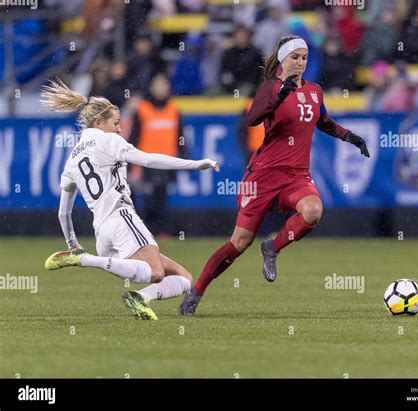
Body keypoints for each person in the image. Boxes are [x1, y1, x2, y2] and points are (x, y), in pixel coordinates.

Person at [179, 35, 369, 316]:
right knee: (239, 243)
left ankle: (273, 247)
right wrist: (281, 95)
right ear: (283, 59)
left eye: (304, 57)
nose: (301, 62)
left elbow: (323, 122)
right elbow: (253, 118)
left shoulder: (314, 91)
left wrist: (350, 136)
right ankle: (198, 290)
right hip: (263, 177)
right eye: (295, 57)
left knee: (313, 211)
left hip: (296, 175)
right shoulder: (271, 87)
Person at [40, 79, 219, 320]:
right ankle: (85, 260)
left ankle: (141, 298)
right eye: (116, 123)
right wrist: (196, 164)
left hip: (102, 232)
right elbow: (149, 159)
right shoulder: (108, 140)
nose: (120, 128)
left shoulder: (72, 159)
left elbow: (64, 212)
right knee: (156, 273)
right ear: (99, 123)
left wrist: (72, 242)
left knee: (184, 278)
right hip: (122, 218)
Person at [129, 74, 185, 236]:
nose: (161, 89)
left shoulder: (173, 109)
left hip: (167, 161)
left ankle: (161, 231)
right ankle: (148, 230)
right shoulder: (143, 109)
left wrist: (183, 155)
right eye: (158, 85)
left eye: (164, 85)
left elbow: (180, 135)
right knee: (149, 197)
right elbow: (134, 136)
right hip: (148, 161)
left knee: (162, 196)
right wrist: (132, 161)